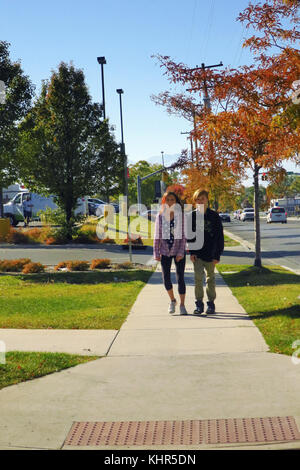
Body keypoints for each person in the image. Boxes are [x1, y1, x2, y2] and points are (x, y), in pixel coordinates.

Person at [186, 189, 224, 315]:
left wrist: (217, 254)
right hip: (197, 254)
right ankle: (199, 304)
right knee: (198, 279)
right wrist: (191, 252)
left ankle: (211, 304)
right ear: (195, 202)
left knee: (210, 279)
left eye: (202, 199)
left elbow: (219, 237)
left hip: (211, 254)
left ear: (207, 200)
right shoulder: (191, 216)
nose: (200, 201)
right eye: (197, 199)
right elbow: (189, 236)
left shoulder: (214, 216)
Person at [153, 191, 187, 315]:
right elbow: (157, 235)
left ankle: (182, 305)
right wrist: (156, 252)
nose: (170, 202)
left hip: (178, 250)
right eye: (167, 200)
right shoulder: (160, 216)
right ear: (164, 202)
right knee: (166, 278)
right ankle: (172, 300)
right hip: (165, 251)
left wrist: (180, 252)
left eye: (172, 200)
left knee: (180, 278)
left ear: (176, 202)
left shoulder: (181, 216)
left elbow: (184, 235)